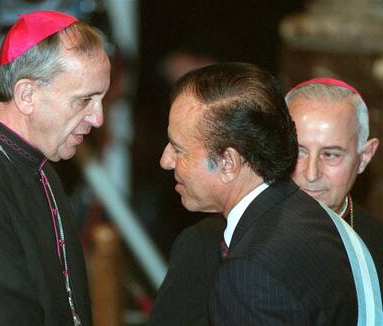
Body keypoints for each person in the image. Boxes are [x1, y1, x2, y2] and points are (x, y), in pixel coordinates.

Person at [156, 62, 380, 324]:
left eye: (179, 149)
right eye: (301, 151)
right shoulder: (320, 224)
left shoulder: (251, 269)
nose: (165, 160)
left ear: (229, 163)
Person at [0, 10, 110, 325]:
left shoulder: (40, 166)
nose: (98, 119)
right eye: (85, 100)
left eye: (101, 100)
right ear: (27, 95)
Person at [286, 78, 383, 290]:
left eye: (330, 154)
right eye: (298, 152)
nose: (311, 174)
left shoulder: (377, 248)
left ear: (364, 157)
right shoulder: (215, 240)